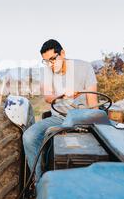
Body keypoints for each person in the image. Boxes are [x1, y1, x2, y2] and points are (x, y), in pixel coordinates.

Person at [22, 39, 99, 181]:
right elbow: (47, 96)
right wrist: (62, 95)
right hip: (59, 117)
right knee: (29, 136)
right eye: (46, 61)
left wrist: (97, 120)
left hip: (83, 117)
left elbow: (93, 101)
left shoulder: (84, 67)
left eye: (52, 59)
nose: (50, 65)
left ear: (62, 53)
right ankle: (39, 182)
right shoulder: (47, 72)